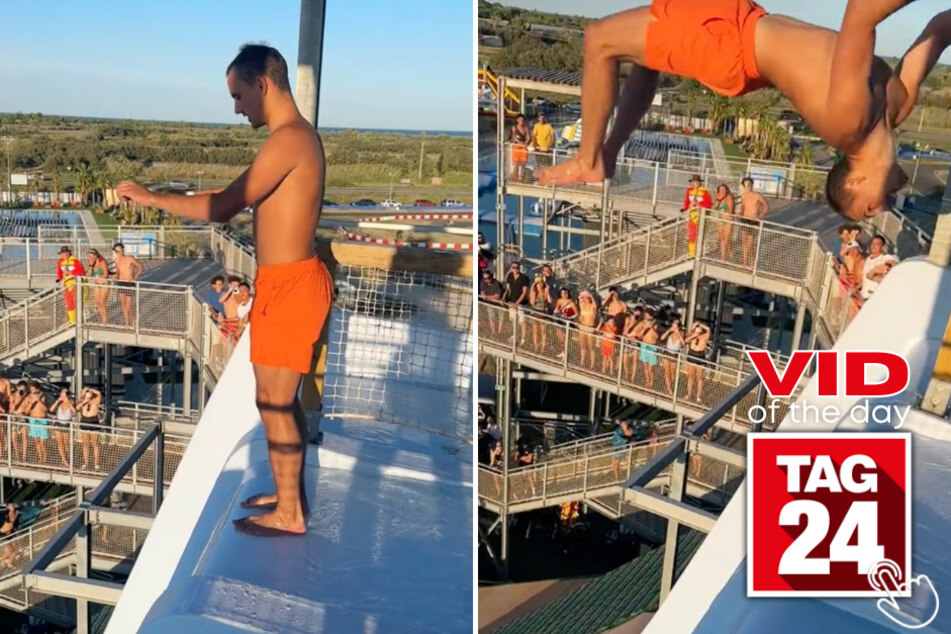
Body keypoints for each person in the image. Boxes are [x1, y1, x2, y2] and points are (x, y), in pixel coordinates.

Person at [118, 44, 334, 537]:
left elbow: (222, 207)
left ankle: (290, 514)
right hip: (287, 282)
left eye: (238, 95)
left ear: (263, 84)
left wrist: (152, 198)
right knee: (281, 400)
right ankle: (287, 495)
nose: (236, 107)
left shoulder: (289, 140)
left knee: (274, 404)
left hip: (293, 285)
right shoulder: (295, 138)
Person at [536, 0, 943, 222]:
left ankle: (590, 159)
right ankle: (603, 155)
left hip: (728, 44)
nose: (882, 208)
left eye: (868, 211)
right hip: (739, 27)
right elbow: (939, 29)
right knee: (646, 58)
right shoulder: (898, 103)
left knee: (598, 40)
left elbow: (860, 13)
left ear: (854, 183)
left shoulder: (847, 125)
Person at [738, 177, 770, 267]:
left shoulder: (757, 195)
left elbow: (766, 206)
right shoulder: (744, 195)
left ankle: (753, 259)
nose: (747, 186)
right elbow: (743, 206)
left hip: (753, 220)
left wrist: (760, 216)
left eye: (749, 184)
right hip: (745, 219)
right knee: (744, 242)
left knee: (750, 242)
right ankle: (744, 262)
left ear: (752, 185)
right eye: (746, 185)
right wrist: (740, 212)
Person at [112, 243, 144, 327]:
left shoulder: (130, 258)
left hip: (129, 283)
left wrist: (135, 278)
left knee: (128, 305)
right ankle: (126, 323)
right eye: (116, 251)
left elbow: (141, 267)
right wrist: (116, 277)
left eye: (119, 250)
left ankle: (133, 318)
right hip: (121, 282)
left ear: (122, 250)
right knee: (123, 304)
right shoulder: (117, 260)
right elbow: (118, 272)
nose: (118, 252)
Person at [861, 235, 899, 301]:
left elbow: (891, 263)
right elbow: (865, 277)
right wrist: (856, 288)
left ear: (882, 247)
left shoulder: (885, 258)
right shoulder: (868, 258)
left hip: (873, 298)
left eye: (877, 244)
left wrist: (888, 266)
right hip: (863, 296)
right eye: (872, 243)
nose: (873, 246)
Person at [683, 175, 712, 257]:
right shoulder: (689, 190)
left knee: (699, 235)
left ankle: (698, 252)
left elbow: (708, 204)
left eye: (697, 181)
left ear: (700, 182)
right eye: (694, 181)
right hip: (691, 216)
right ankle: (691, 253)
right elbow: (686, 202)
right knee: (691, 235)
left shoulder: (704, 192)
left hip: (700, 216)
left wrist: (699, 205)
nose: (695, 183)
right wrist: (686, 208)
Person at [684, 321, 712, 403]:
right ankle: (689, 394)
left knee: (699, 378)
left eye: (699, 328)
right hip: (692, 353)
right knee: (690, 376)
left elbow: (708, 329)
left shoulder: (705, 335)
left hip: (700, 355)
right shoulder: (692, 334)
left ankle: (699, 396)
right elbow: (685, 341)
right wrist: (693, 334)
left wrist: (700, 324)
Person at [56, 246, 85, 324]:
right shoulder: (60, 262)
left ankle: (77, 319)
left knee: (76, 302)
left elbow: (81, 273)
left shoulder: (75, 261)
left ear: (68, 253)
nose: (63, 255)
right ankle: (72, 320)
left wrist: (71, 273)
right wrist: (59, 279)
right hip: (66, 285)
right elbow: (59, 272)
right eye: (62, 254)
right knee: (68, 303)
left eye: (64, 253)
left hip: (74, 284)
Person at [76, 387, 102, 471]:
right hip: (84, 420)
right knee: (85, 444)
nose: (88, 394)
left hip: (93, 420)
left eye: (89, 393)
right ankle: (86, 462)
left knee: (95, 444)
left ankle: (96, 463)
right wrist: (84, 398)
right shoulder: (82, 399)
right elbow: (77, 407)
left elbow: (98, 393)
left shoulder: (96, 400)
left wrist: (90, 389)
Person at [49, 388, 75, 468]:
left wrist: (67, 401)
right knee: (60, 443)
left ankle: (64, 459)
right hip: (58, 423)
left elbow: (74, 412)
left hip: (66, 423)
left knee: (66, 444)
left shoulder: (71, 401)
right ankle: (64, 460)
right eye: (62, 393)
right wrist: (57, 401)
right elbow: (51, 409)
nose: (62, 395)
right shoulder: (59, 402)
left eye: (64, 393)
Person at [86, 249, 111, 324]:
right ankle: (102, 317)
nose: (89, 257)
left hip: (104, 283)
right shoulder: (90, 262)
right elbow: (89, 274)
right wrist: (90, 265)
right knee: (97, 302)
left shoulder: (102, 262)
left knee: (102, 302)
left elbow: (106, 274)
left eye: (91, 256)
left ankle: (105, 320)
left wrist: (98, 276)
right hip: (97, 284)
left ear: (95, 256)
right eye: (88, 256)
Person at [714, 184, 736, 261]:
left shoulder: (729, 197)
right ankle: (723, 256)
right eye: (720, 190)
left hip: (727, 220)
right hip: (720, 220)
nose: (722, 191)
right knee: (722, 238)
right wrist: (718, 200)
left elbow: (730, 210)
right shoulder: (719, 198)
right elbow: (713, 208)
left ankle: (726, 255)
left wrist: (725, 213)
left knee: (726, 239)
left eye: (723, 190)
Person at [508, 114, 532, 181]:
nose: (521, 121)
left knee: (523, 164)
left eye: (523, 120)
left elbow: (529, 138)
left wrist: (525, 143)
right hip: (516, 148)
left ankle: (521, 179)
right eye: (520, 120)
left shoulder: (526, 128)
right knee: (516, 164)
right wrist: (516, 141)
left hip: (523, 148)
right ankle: (514, 179)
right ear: (517, 120)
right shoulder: (514, 128)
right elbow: (511, 139)